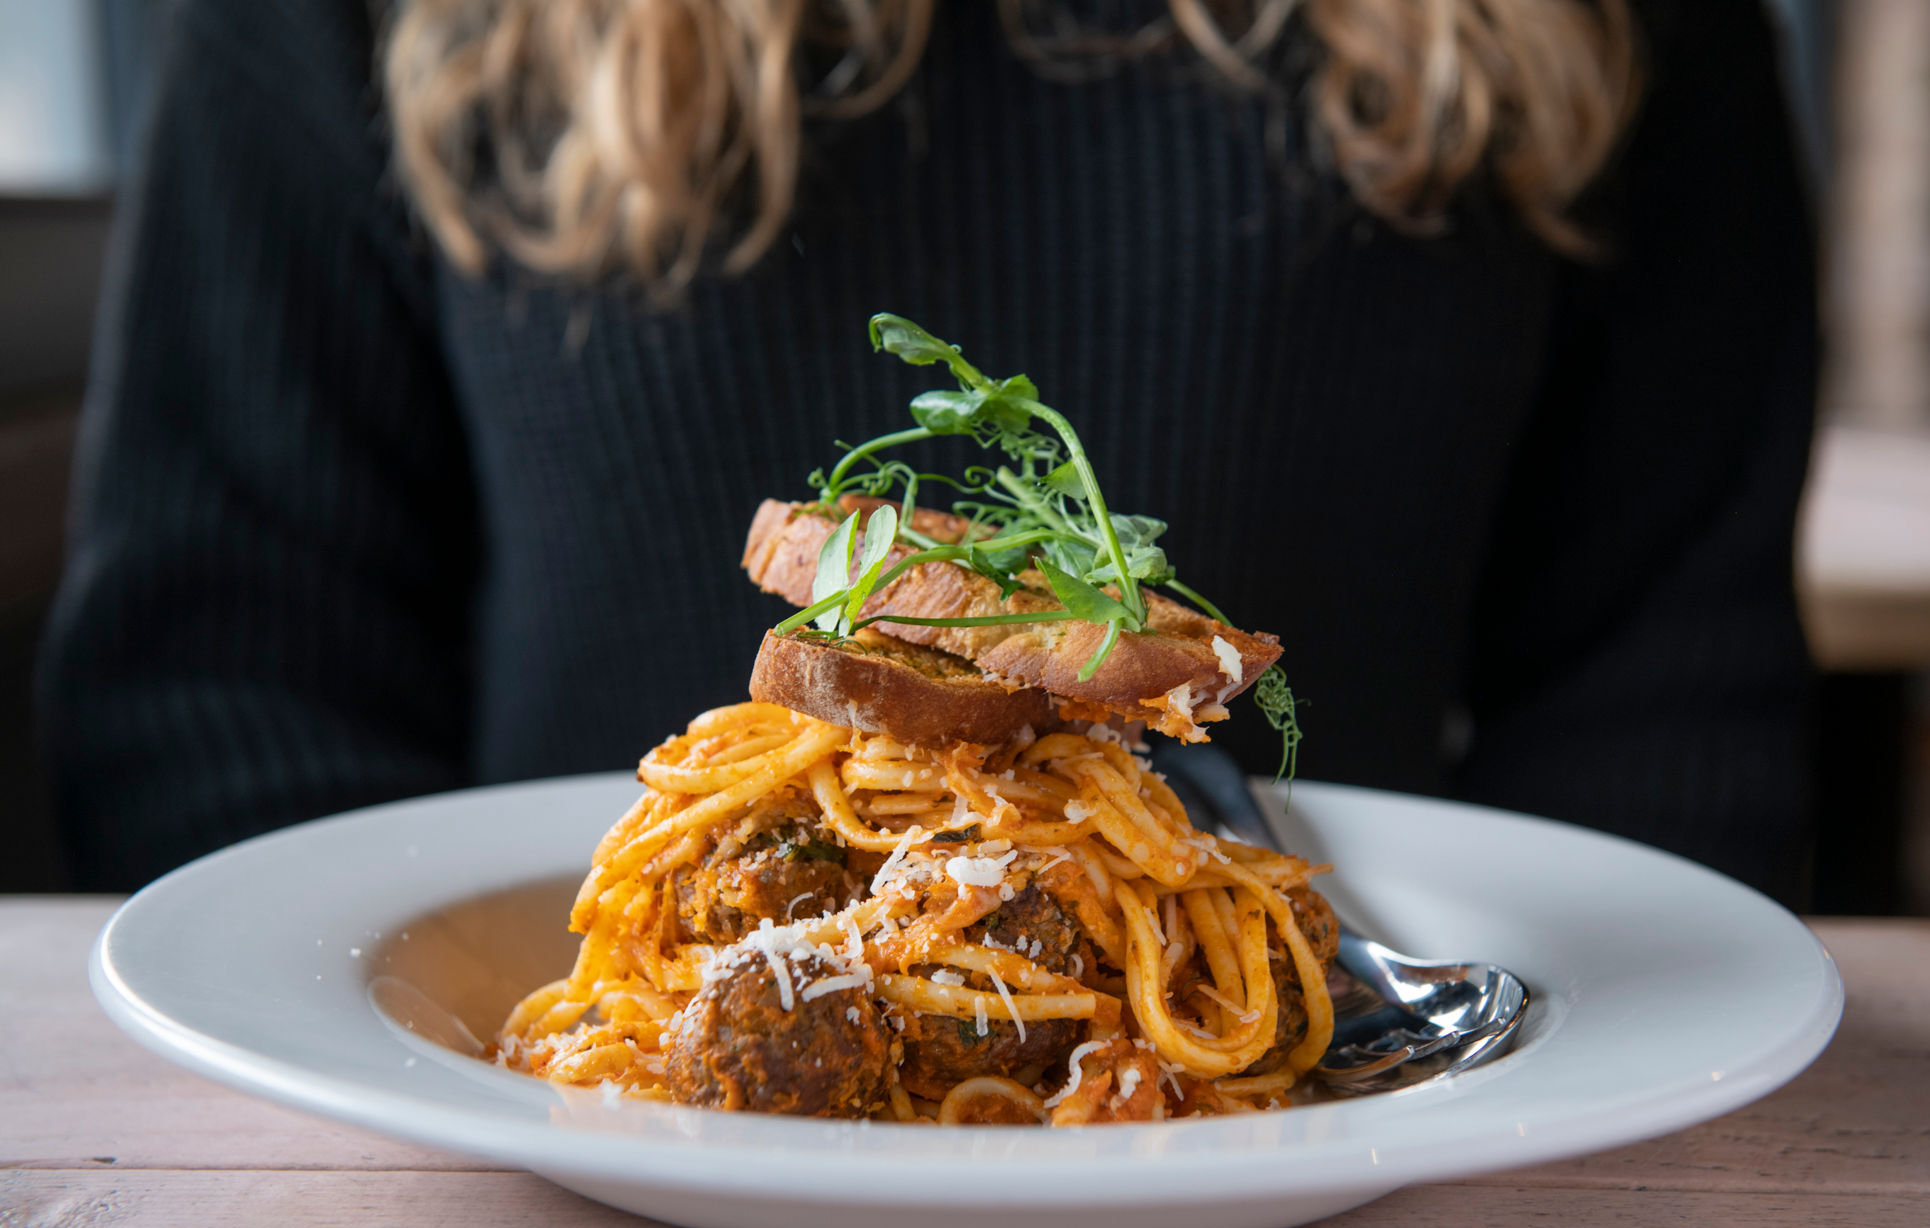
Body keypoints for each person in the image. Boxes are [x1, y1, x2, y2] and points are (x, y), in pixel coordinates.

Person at [38, 0, 1818, 904]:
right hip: (550, 1191)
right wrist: (473, 1085)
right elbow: (223, 685)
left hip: (1356, 1174)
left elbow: (1672, 697)